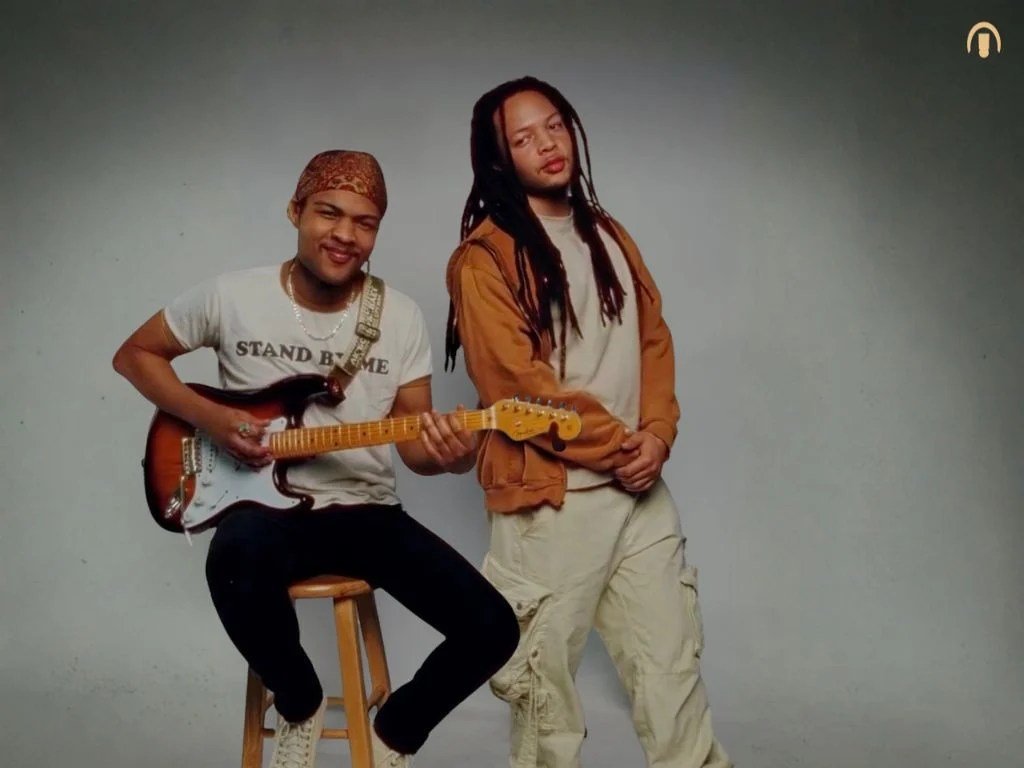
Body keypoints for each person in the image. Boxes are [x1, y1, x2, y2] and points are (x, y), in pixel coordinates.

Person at [113, 149, 519, 768]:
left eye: (364, 222)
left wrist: (454, 456)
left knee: (492, 627)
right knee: (234, 557)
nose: (345, 234)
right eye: (329, 213)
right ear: (295, 211)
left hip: (367, 512)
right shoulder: (232, 295)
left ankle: (394, 733)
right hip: (266, 511)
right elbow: (135, 356)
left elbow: (415, 446)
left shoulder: (399, 316)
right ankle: (300, 701)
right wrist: (213, 419)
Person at [445, 78, 732, 768]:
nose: (548, 144)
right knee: (545, 700)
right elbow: (518, 387)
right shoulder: (486, 257)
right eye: (523, 138)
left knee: (671, 672)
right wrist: (621, 446)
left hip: (639, 494)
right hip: (551, 503)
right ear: (499, 158)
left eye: (554, 125)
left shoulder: (607, 232)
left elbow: (653, 339)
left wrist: (657, 433)